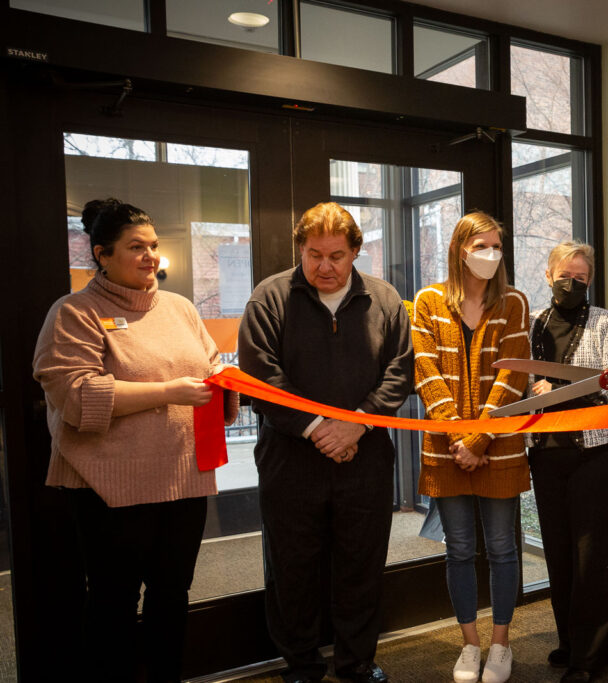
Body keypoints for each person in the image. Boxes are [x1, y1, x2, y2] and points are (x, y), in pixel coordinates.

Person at [33, 198, 239, 683]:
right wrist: (169, 392)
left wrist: (222, 379)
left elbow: (208, 363)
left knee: (173, 595)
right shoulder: (74, 313)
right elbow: (77, 396)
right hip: (107, 487)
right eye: (136, 247)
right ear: (102, 254)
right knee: (113, 601)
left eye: (153, 246)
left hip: (182, 480)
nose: (151, 257)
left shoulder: (181, 308)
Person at [238, 202, 413, 683]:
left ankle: (357, 661)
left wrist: (358, 423)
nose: (324, 267)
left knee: (361, 562)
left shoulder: (385, 299)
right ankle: (301, 663)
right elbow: (260, 377)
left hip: (366, 458)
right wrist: (320, 429)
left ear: (357, 251)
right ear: (301, 248)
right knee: (291, 566)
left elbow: (400, 371)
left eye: (336, 255)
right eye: (314, 254)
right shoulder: (269, 298)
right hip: (290, 460)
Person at [411, 211, 530, 683]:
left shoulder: (514, 302)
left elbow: (514, 374)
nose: (491, 255)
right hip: (445, 451)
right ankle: (470, 644)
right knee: (458, 549)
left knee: (502, 548)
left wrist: (479, 437)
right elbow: (426, 373)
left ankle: (500, 645)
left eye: (497, 247)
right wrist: (459, 438)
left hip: (499, 447)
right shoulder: (428, 301)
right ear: (460, 248)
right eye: (482, 246)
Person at [526, 241, 608, 683]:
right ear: (549, 275)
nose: (573, 283)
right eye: (565, 275)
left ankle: (591, 656)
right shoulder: (531, 322)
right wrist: (537, 390)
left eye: (582, 277)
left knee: (591, 553)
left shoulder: (607, 322)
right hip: (546, 449)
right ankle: (568, 642)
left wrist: (563, 390)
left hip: (599, 449)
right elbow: (521, 382)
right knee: (557, 549)